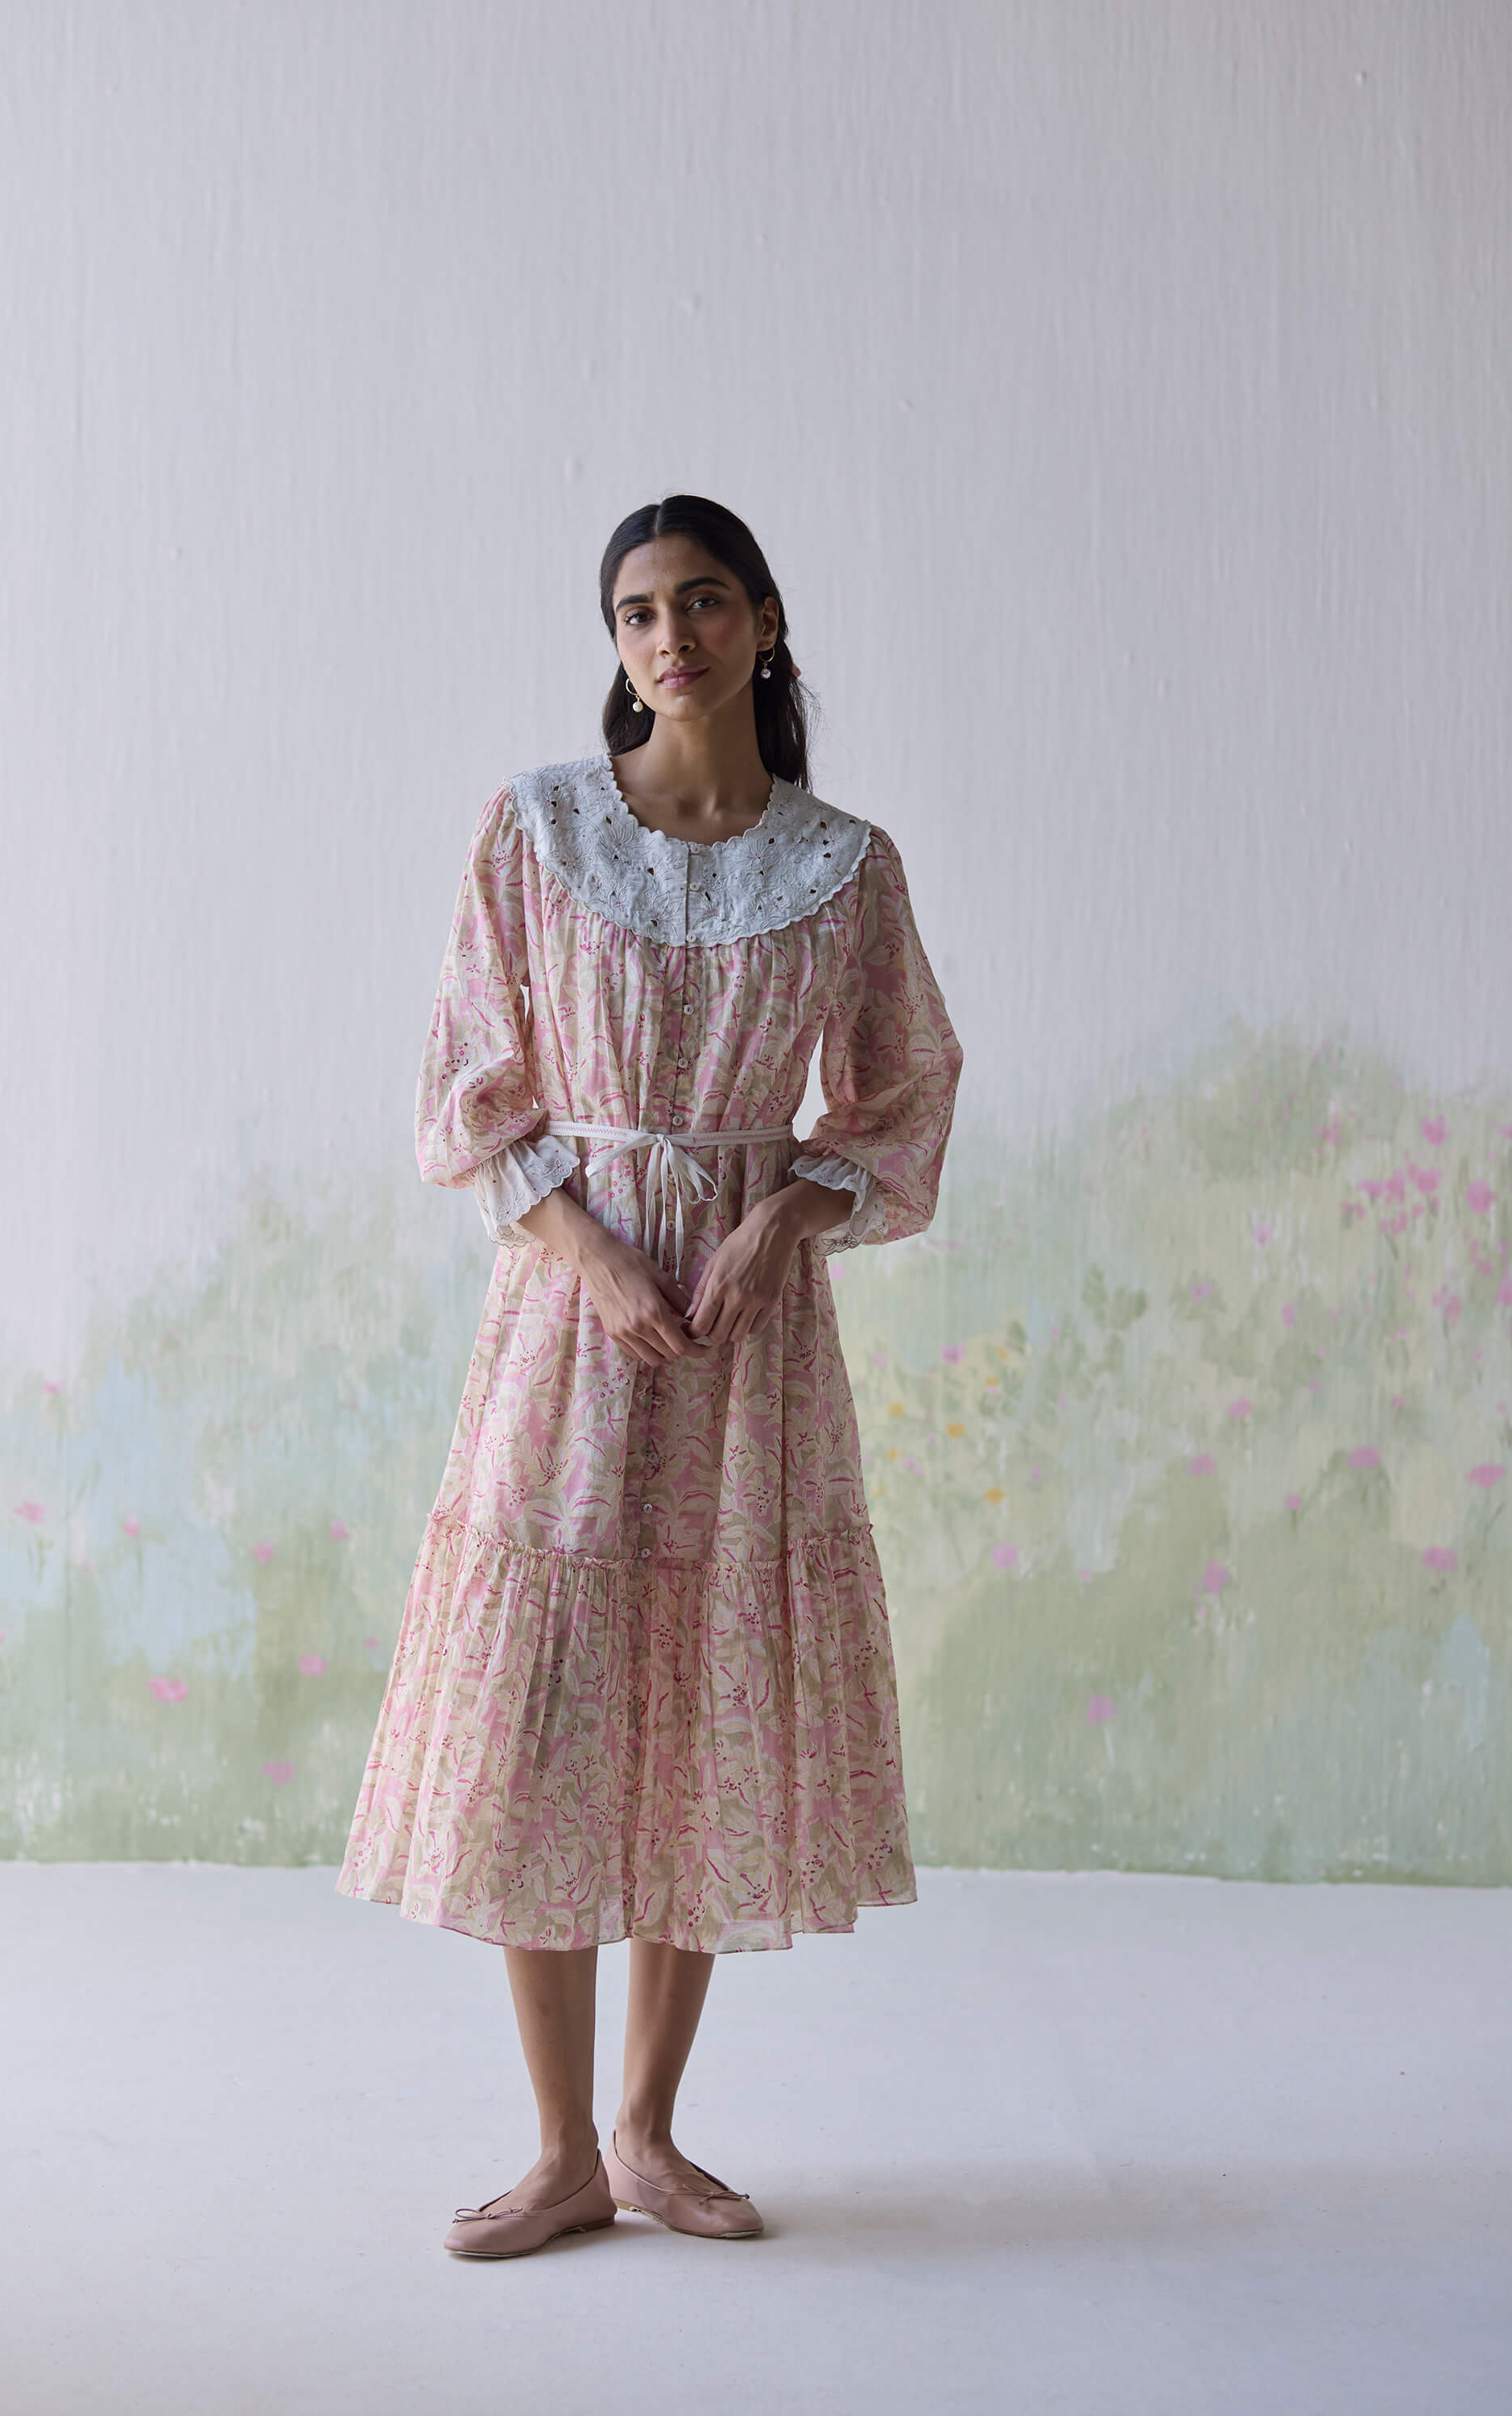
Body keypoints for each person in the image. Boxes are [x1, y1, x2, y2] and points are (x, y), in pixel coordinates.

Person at [335, 494, 965, 2257]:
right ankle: (554, 2150)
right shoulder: (533, 834)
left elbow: (903, 1089)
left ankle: (647, 2131)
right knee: (547, 1706)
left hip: (749, 1349)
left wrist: (789, 1214)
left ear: (764, 622)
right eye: (633, 613)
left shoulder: (847, 867)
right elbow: (471, 1082)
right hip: (571, 1321)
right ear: (613, 645)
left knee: (706, 1696)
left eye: (698, 603)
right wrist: (592, 1250)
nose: (666, 638)